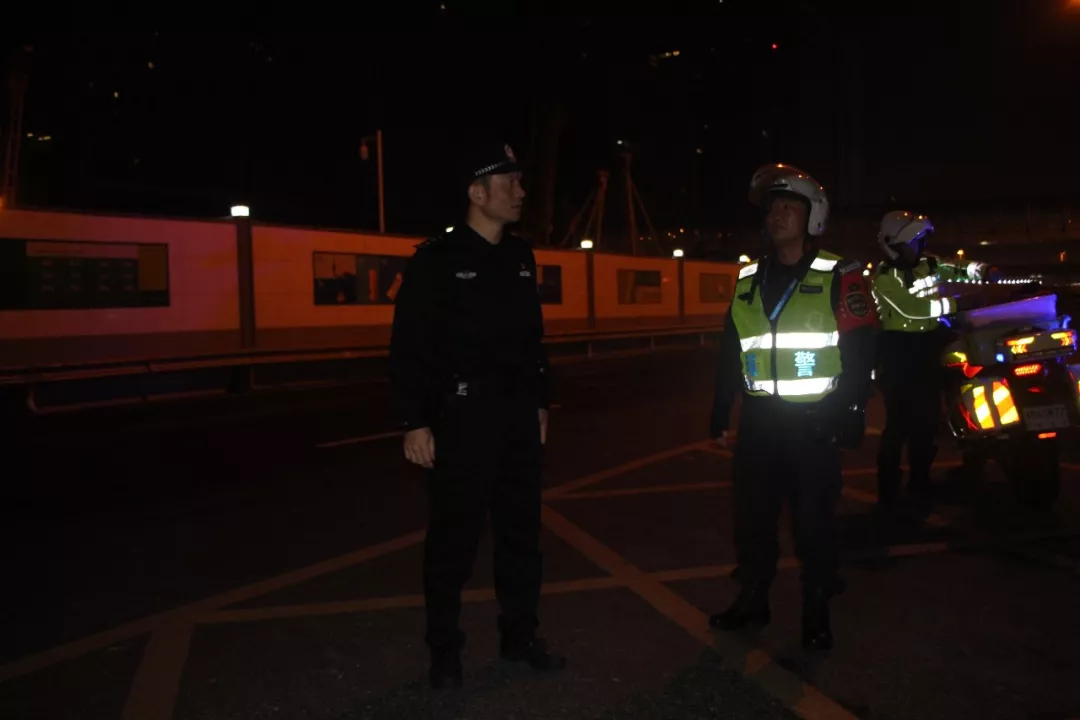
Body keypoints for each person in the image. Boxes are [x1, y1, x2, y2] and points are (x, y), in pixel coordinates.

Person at [388, 138, 565, 690]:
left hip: (517, 419)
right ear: (477, 193)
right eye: (509, 182)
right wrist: (415, 421)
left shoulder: (519, 257)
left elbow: (534, 340)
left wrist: (541, 401)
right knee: (453, 544)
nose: (521, 191)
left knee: (521, 539)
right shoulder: (436, 260)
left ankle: (520, 637)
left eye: (520, 181)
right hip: (461, 420)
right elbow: (409, 346)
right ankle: (445, 651)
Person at [709, 163, 876, 650]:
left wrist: (851, 410)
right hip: (759, 423)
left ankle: (816, 607)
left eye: (789, 207)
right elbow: (731, 347)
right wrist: (721, 405)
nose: (778, 215)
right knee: (752, 520)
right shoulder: (747, 278)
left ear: (812, 216)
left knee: (814, 524)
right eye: (772, 208)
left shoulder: (839, 274)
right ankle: (753, 598)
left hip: (812, 425)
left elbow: (861, 349)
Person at [870, 211, 989, 513]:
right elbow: (914, 309)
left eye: (921, 241)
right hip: (899, 352)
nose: (920, 246)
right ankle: (888, 489)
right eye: (915, 241)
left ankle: (921, 481)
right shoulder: (885, 277)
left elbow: (954, 267)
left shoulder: (927, 263)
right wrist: (958, 304)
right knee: (898, 424)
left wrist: (982, 269)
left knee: (926, 420)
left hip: (927, 345)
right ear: (895, 245)